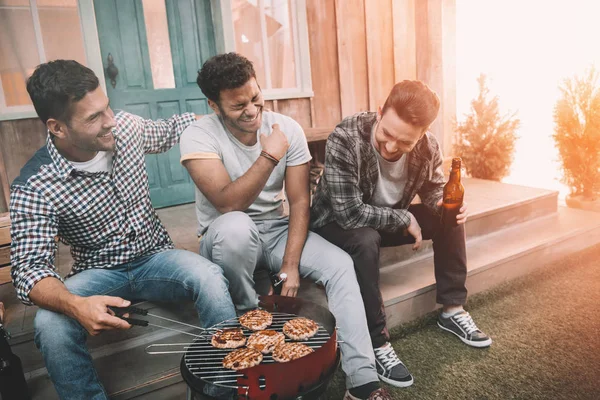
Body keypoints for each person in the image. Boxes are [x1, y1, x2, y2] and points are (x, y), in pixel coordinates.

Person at [9, 60, 237, 400]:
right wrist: (74, 305)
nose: (110, 122)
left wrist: (235, 114)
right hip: (97, 273)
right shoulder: (34, 185)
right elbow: (29, 270)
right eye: (93, 118)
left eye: (107, 108)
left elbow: (176, 128)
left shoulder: (126, 128)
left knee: (210, 277)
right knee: (49, 325)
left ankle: (224, 390)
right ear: (57, 127)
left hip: (157, 258)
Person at [180, 52, 392, 400]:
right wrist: (269, 155)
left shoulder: (287, 128)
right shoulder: (199, 136)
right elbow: (228, 202)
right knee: (236, 227)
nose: (251, 110)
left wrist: (291, 265)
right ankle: (254, 344)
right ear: (214, 105)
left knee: (340, 265)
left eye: (255, 98)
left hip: (276, 230)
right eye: (238, 106)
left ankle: (362, 380)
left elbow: (298, 202)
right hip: (225, 234)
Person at [310, 80, 493, 386]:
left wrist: (446, 205)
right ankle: (377, 342)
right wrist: (403, 217)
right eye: (387, 134)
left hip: (387, 219)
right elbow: (349, 213)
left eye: (405, 142)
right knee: (365, 239)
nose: (392, 147)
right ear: (380, 112)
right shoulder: (346, 136)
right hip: (335, 223)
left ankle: (452, 308)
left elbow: (434, 190)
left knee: (450, 216)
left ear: (422, 135)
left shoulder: (429, 146)